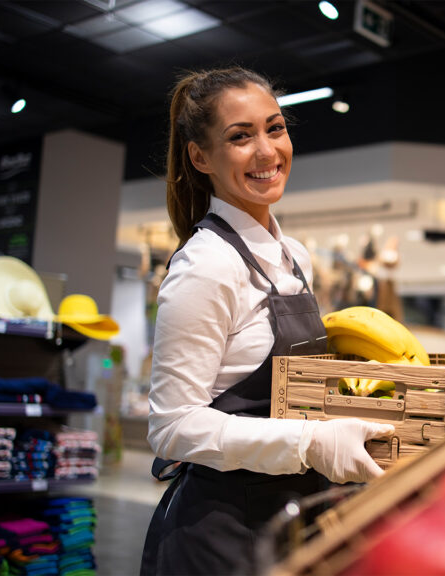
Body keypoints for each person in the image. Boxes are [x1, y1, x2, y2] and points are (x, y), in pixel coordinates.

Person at [140, 66, 394, 576]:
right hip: (221, 535)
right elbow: (171, 427)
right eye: (240, 137)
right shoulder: (206, 266)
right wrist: (310, 443)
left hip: (293, 518)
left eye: (274, 128)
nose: (266, 151)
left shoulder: (294, 256)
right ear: (200, 156)